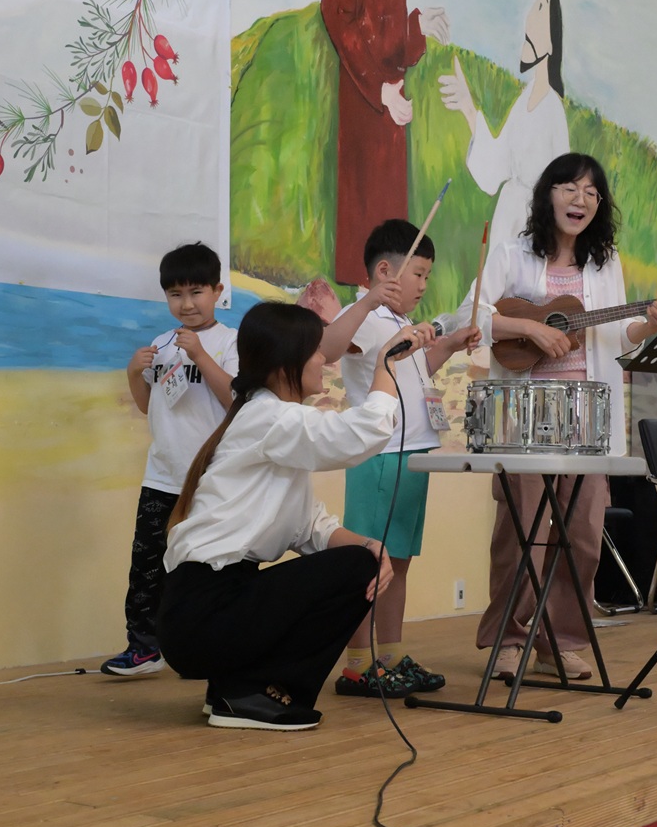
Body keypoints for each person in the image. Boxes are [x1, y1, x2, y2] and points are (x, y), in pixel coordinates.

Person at [454, 152, 657, 680]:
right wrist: (530, 328)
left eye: (592, 193)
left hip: (587, 419)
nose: (581, 200)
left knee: (583, 534)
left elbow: (619, 337)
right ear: (547, 194)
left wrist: (650, 326)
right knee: (520, 534)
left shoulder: (605, 264)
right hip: (522, 416)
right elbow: (470, 314)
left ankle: (561, 641)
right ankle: (510, 639)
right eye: (570, 188)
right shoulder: (512, 255)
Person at [158, 301, 430, 730]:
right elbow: (364, 433)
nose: (324, 360)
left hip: (201, 615)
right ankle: (253, 693)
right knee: (355, 569)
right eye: (315, 350)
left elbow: (309, 527)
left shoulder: (264, 418)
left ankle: (236, 688)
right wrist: (386, 364)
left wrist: (369, 545)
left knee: (361, 560)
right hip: (205, 615)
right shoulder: (271, 417)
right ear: (287, 361)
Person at [320, 219, 480, 698]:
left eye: (428, 275)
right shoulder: (365, 314)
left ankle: (388, 656)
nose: (424, 285)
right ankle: (357, 664)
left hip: (412, 453)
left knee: (400, 562)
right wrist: (367, 301)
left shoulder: (396, 323)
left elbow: (415, 372)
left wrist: (448, 344)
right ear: (386, 271)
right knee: (370, 564)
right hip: (380, 455)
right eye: (419, 274)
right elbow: (327, 348)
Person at [100, 243, 238, 678]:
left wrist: (201, 355)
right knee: (146, 567)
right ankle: (144, 648)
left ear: (218, 291)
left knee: (208, 566)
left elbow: (236, 400)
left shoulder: (231, 342)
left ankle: (210, 649)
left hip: (210, 477)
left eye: (196, 292)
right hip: (161, 475)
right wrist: (132, 373)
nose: (186, 303)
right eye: (175, 294)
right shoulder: (161, 344)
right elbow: (148, 406)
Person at [321, 0, 448, 285]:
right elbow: (338, 18)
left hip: (392, 106)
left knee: (389, 211)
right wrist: (380, 91)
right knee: (363, 205)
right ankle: (363, 296)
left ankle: (389, 294)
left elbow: (393, 46)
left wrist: (417, 26)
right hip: (365, 101)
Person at [438, 0, 570, 254]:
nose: (533, 12)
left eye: (541, 6)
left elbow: (565, 181)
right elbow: (498, 161)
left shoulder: (553, 108)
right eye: (536, 4)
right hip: (507, 217)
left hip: (535, 224)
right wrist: (468, 107)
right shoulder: (525, 99)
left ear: (550, 38)